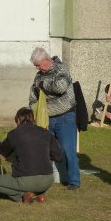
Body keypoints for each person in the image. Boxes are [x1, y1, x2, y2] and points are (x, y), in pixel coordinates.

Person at [29, 47, 80, 190]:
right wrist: (33, 109)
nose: (37, 68)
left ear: (46, 60)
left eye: (38, 65)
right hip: (46, 119)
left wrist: (43, 85)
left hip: (65, 116)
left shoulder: (61, 70)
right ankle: (49, 179)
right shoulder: (39, 76)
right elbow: (33, 95)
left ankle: (74, 181)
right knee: (46, 150)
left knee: (67, 149)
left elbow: (60, 87)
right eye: (36, 66)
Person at [0, 107, 62, 203]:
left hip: (27, 180)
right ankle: (40, 194)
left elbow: (3, 150)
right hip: (48, 180)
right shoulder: (46, 133)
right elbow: (58, 157)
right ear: (32, 119)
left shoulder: (14, 134)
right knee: (34, 183)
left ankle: (24, 196)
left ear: (18, 119)